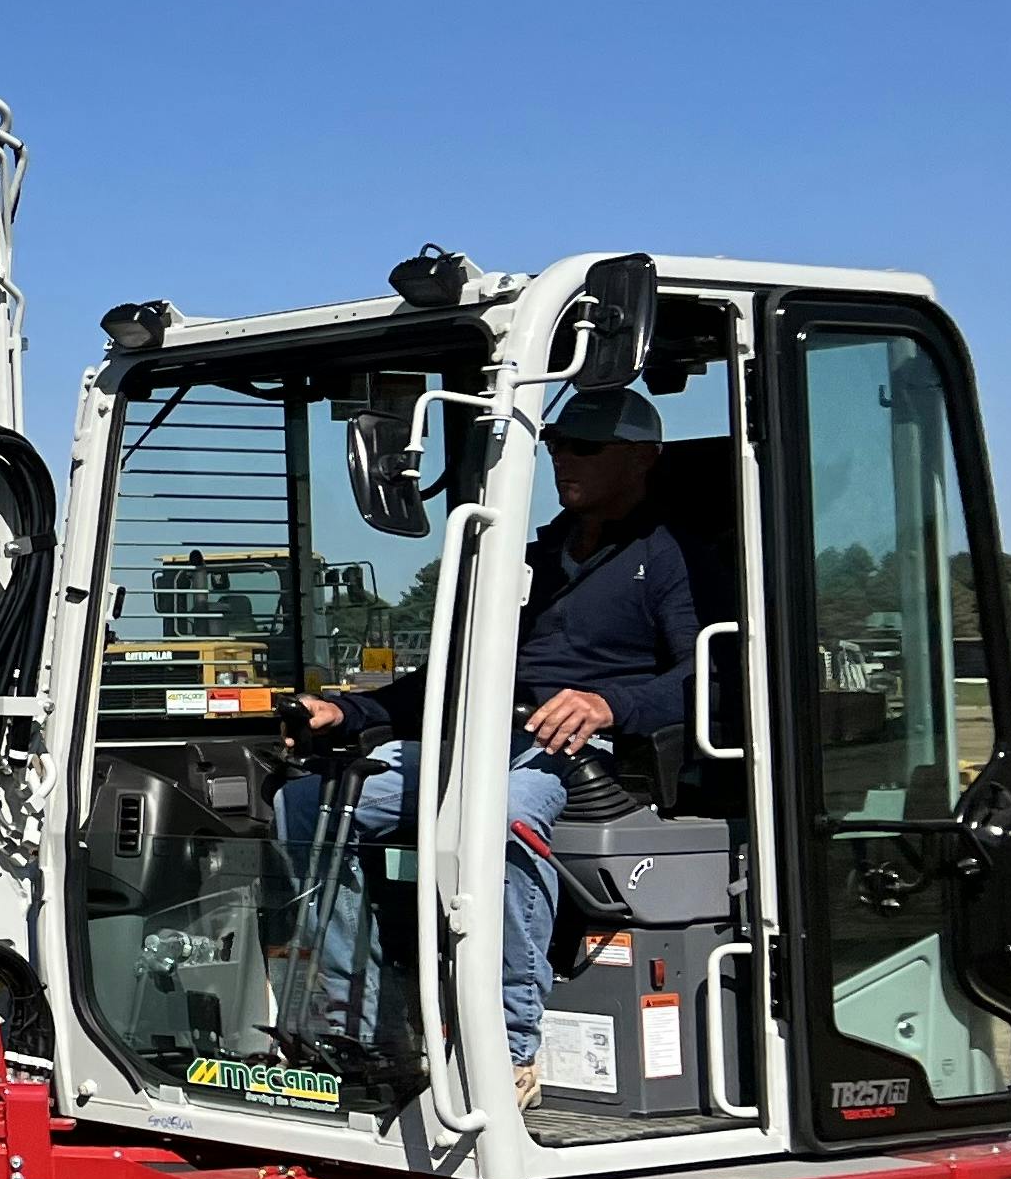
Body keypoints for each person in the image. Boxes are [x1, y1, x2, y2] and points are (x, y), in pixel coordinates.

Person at [279, 387, 699, 1108]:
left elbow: (714, 675)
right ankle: (364, 1030)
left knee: (497, 814)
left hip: (583, 753)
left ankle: (508, 1050)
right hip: (486, 736)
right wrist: (345, 712)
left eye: (585, 447)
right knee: (313, 801)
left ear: (641, 459)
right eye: (558, 443)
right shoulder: (533, 557)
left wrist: (609, 704)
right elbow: (455, 669)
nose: (564, 458)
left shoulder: (671, 558)